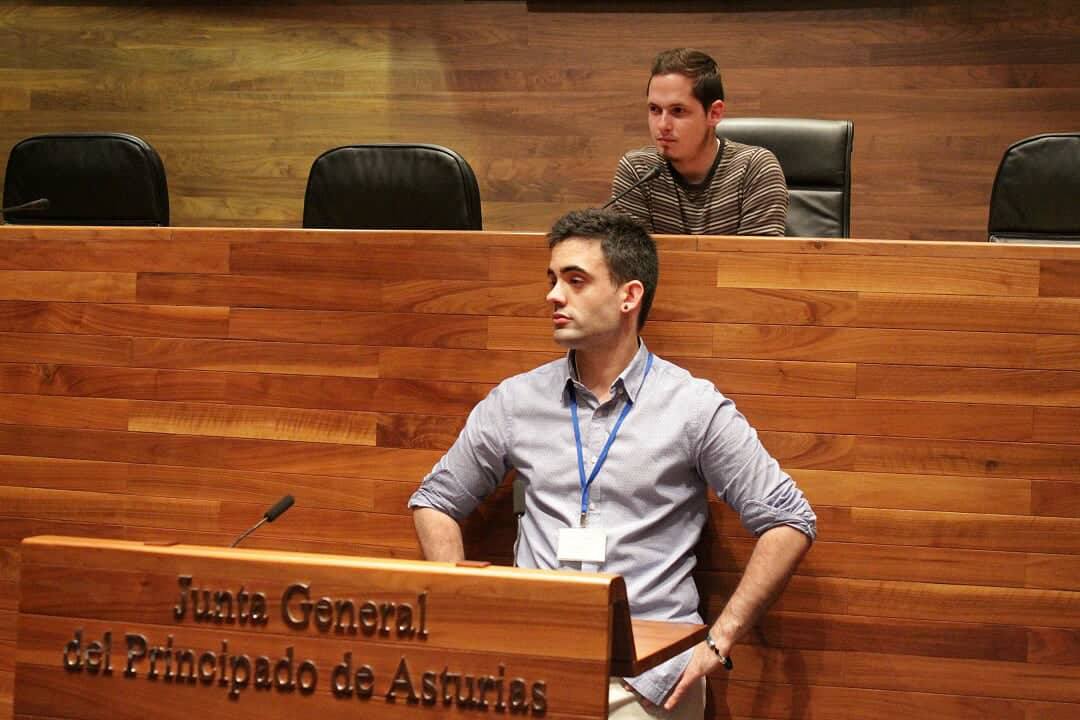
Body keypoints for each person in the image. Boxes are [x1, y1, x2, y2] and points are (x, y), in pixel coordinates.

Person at [409, 208, 814, 719]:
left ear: (629, 296)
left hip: (649, 684)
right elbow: (435, 500)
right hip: (533, 673)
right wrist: (463, 604)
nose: (553, 296)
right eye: (552, 279)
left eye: (575, 281)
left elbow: (789, 520)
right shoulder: (516, 401)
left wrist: (718, 641)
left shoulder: (692, 407)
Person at [609, 48, 788, 236]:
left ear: (714, 113)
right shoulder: (638, 171)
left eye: (678, 111)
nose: (662, 125)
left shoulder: (754, 169)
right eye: (654, 109)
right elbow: (631, 263)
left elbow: (757, 263)